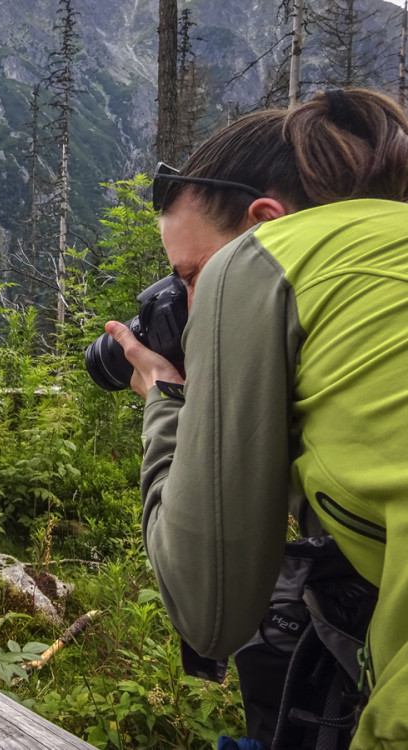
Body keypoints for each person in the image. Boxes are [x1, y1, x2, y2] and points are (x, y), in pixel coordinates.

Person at [103, 88, 408, 749]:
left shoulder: (269, 259)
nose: (188, 303)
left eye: (194, 276)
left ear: (265, 223)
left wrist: (164, 395)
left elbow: (208, 614)